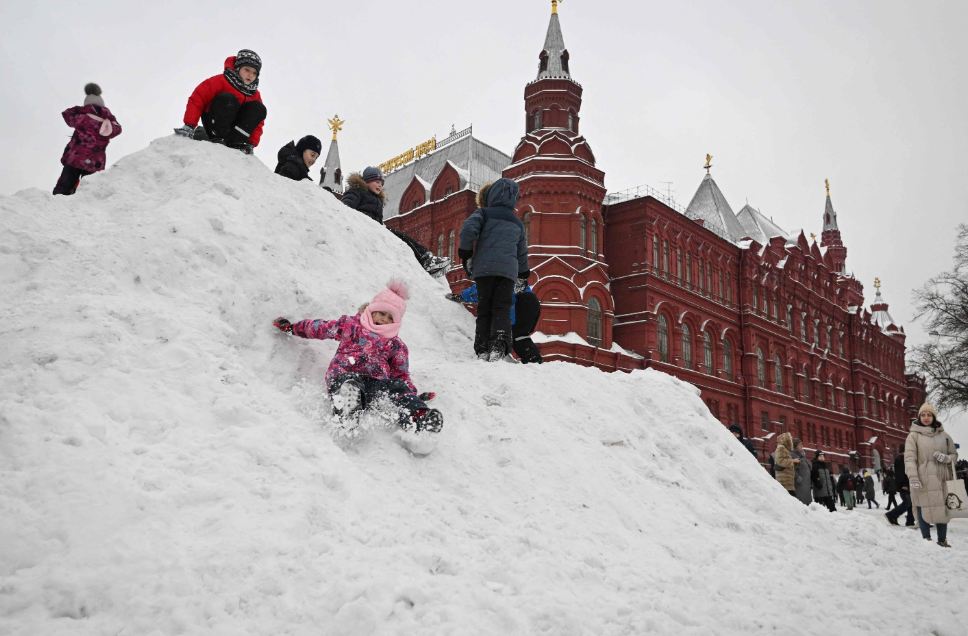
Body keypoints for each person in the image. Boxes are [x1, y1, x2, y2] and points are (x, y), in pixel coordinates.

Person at [272, 280, 442, 433]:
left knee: (397, 386)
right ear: (371, 310)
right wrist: (292, 328)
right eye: (381, 313)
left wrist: (411, 395)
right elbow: (321, 328)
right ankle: (348, 410)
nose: (384, 320)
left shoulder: (396, 344)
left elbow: (401, 375)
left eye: (390, 318)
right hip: (345, 377)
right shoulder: (350, 325)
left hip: (376, 385)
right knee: (349, 383)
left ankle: (418, 417)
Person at [459, 179, 530, 362]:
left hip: (485, 269)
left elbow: (467, 229)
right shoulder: (517, 222)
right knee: (502, 308)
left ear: (491, 195)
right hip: (507, 273)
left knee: (484, 308)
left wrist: (466, 254)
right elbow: (522, 253)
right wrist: (523, 275)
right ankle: (499, 344)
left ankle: (482, 348)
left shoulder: (484, 213)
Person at [341, 167, 451, 277]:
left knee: (402, 238)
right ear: (367, 181)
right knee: (401, 237)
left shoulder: (377, 200)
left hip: (376, 229)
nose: (380, 185)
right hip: (366, 227)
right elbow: (344, 208)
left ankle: (426, 260)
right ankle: (427, 260)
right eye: (377, 182)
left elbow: (379, 220)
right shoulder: (356, 192)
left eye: (381, 183)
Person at [174, 49, 266, 155]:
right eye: (247, 70)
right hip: (215, 123)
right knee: (228, 99)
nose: (250, 75)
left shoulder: (255, 94)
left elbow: (258, 122)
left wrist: (252, 143)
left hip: (234, 131)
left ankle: (236, 142)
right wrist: (189, 125)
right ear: (238, 68)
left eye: (254, 73)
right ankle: (217, 137)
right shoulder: (221, 81)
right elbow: (198, 98)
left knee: (258, 108)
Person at [446, 283, 542, 363]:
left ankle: (533, 359)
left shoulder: (495, 273)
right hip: (531, 301)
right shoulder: (510, 268)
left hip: (520, 301)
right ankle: (533, 359)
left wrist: (463, 297)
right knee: (519, 334)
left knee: (515, 333)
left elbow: (481, 288)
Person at [53, 83, 122, 195]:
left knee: (63, 189)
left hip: (75, 159)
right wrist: (108, 116)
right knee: (88, 193)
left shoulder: (82, 118)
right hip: (96, 163)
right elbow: (118, 129)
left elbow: (67, 114)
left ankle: (55, 208)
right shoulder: (108, 124)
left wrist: (82, 109)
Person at [905, 403, 958, 547]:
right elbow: (910, 458)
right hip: (923, 477)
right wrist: (913, 476)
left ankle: (942, 540)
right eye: (923, 415)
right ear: (919, 417)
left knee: (942, 509)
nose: (926, 418)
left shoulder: (944, 436)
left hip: (942, 478)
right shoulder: (913, 436)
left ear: (933, 416)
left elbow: (953, 454)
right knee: (922, 507)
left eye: (929, 415)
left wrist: (947, 459)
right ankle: (926, 541)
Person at [886, 443, 916, 527]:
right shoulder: (900, 460)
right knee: (907, 502)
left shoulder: (904, 459)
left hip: (907, 484)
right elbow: (900, 474)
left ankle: (910, 521)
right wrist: (904, 484)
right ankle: (891, 515)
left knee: (911, 503)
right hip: (904, 485)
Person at [791, 439, 812, 505]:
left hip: (806, 482)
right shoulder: (793, 455)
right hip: (799, 483)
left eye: (802, 444)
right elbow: (791, 468)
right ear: (795, 446)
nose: (802, 446)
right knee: (801, 502)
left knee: (807, 502)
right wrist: (797, 477)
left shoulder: (802, 455)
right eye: (800, 445)